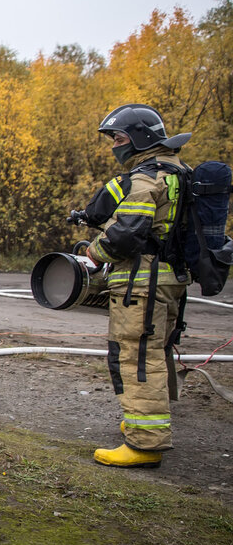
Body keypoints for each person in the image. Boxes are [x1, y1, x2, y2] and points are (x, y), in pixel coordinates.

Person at [82, 104, 191, 469]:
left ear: (139, 138)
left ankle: (145, 442)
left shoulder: (146, 180)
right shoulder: (177, 172)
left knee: (136, 356)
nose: (115, 145)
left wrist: (93, 253)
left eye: (118, 138)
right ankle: (146, 422)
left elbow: (124, 236)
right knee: (155, 351)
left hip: (142, 284)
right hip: (170, 281)